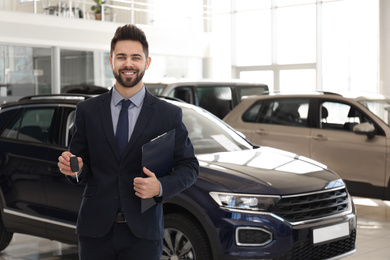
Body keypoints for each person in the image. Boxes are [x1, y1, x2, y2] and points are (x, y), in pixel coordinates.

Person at [57, 24, 199, 260]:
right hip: (95, 232)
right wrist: (74, 170)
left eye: (136, 57)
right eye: (121, 57)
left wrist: (160, 187)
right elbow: (79, 165)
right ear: (111, 60)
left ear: (147, 62)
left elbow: (190, 167)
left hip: (143, 234)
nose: (128, 63)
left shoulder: (167, 114)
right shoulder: (88, 110)